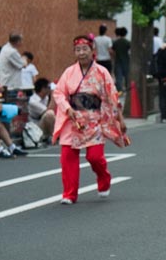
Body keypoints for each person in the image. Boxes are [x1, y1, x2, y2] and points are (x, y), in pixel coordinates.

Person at [52, 35, 128, 203]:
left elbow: (112, 96)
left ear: (92, 50)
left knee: (94, 157)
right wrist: (67, 108)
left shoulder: (102, 72)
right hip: (73, 119)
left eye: (84, 49)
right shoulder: (69, 72)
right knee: (67, 158)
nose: (81, 53)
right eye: (78, 50)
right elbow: (58, 93)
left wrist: (119, 119)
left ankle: (104, 178)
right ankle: (69, 194)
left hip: (94, 120)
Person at [27, 77, 56, 142]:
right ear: (43, 89)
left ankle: (56, 135)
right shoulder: (33, 101)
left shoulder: (45, 97)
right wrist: (53, 95)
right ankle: (52, 136)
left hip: (42, 122)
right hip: (36, 127)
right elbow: (49, 111)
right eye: (48, 87)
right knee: (50, 114)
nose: (49, 89)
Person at [112, 27, 131, 92]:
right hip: (126, 60)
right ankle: (128, 89)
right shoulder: (127, 42)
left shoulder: (116, 42)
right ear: (126, 34)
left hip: (118, 61)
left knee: (119, 77)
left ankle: (119, 90)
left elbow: (113, 51)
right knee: (127, 76)